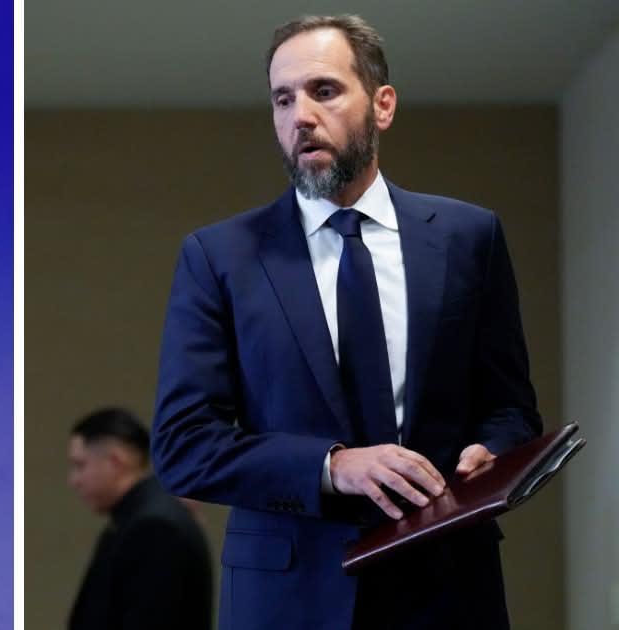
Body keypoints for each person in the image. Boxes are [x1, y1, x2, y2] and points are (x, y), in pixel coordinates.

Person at [151, 15, 541, 630]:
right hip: (288, 597)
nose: (300, 115)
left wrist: (491, 450)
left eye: (323, 91)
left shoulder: (471, 238)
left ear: (382, 105)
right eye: (283, 99)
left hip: (448, 587)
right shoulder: (219, 256)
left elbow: (511, 408)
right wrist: (331, 466)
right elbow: (182, 447)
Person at [67, 407, 213, 630]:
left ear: (115, 460)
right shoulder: (143, 516)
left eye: (80, 465)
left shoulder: (155, 528)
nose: (74, 480)